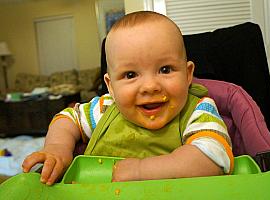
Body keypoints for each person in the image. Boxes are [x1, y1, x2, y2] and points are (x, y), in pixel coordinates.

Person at [22, 11, 233, 185]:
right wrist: (57, 149)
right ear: (111, 87)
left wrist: (142, 170)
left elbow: (213, 157)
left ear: (188, 75)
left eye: (165, 69)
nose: (150, 86)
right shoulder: (106, 109)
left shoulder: (197, 111)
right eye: (130, 75)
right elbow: (68, 118)